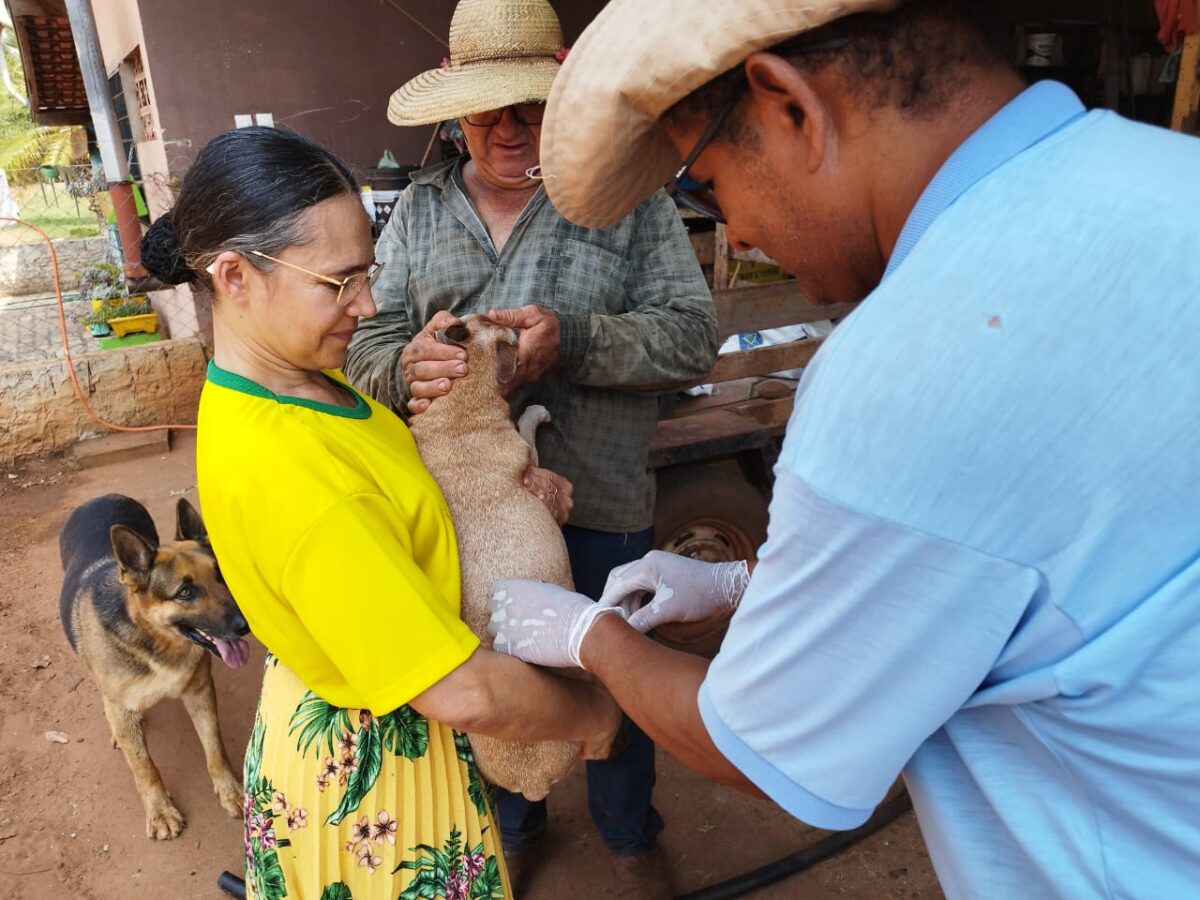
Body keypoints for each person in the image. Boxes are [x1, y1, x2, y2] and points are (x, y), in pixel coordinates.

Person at [485, 1, 1200, 898]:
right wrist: (750, 583)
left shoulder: (907, 371)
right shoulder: (1169, 172)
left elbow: (755, 744)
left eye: (705, 186)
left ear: (790, 108)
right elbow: (1064, 552)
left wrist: (592, 639)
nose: (735, 233)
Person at [138, 126, 621, 900]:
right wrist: (592, 712)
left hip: (335, 711)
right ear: (234, 276)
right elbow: (462, 690)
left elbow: (393, 500)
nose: (367, 305)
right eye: (338, 283)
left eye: (368, 274)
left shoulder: (299, 384)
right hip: (378, 783)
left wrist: (505, 501)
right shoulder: (292, 469)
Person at [344, 0, 718, 894]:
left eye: (529, 107)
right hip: (469, 510)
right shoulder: (421, 212)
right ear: (456, 112)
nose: (509, 128)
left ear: (560, 104)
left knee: (618, 670)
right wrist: (411, 367)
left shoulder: (625, 199)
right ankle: (515, 819)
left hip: (600, 497)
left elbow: (693, 335)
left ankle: (630, 833)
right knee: (500, 677)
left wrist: (575, 340)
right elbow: (362, 348)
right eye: (488, 109)